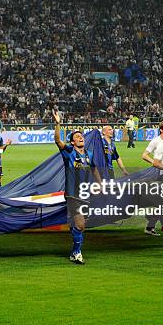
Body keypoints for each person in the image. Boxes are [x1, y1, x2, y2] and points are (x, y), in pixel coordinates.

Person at [53, 109, 101, 265]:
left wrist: (99, 183)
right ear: (72, 142)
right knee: (80, 223)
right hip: (73, 194)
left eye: (81, 136)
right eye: (77, 137)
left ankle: (75, 241)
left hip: (86, 194)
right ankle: (76, 253)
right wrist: (58, 123)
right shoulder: (68, 152)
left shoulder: (89, 154)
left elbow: (94, 168)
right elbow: (57, 141)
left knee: (81, 225)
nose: (80, 138)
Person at [141, 121, 163, 234]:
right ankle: (156, 224)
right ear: (161, 130)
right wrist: (155, 163)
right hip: (159, 174)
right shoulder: (156, 141)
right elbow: (144, 155)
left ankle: (157, 222)